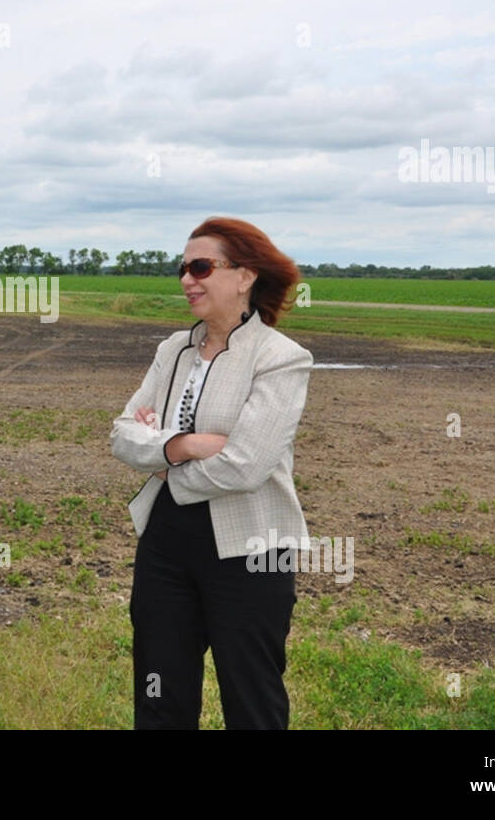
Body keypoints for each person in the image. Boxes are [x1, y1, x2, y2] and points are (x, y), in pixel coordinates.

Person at [110, 216, 313, 729]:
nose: (186, 280)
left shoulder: (280, 358)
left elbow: (246, 465)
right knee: (160, 692)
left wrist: (163, 463)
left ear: (244, 275)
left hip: (250, 548)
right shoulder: (172, 349)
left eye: (201, 267)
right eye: (182, 268)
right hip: (166, 542)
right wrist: (186, 445)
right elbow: (122, 435)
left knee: (252, 698)